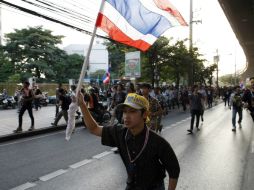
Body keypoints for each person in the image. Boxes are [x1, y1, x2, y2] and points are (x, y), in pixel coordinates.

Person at [76, 92, 180, 190]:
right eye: (125, 111)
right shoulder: (120, 132)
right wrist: (82, 105)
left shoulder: (158, 142)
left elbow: (174, 171)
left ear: (145, 114)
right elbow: (94, 128)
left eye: (133, 111)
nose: (126, 116)